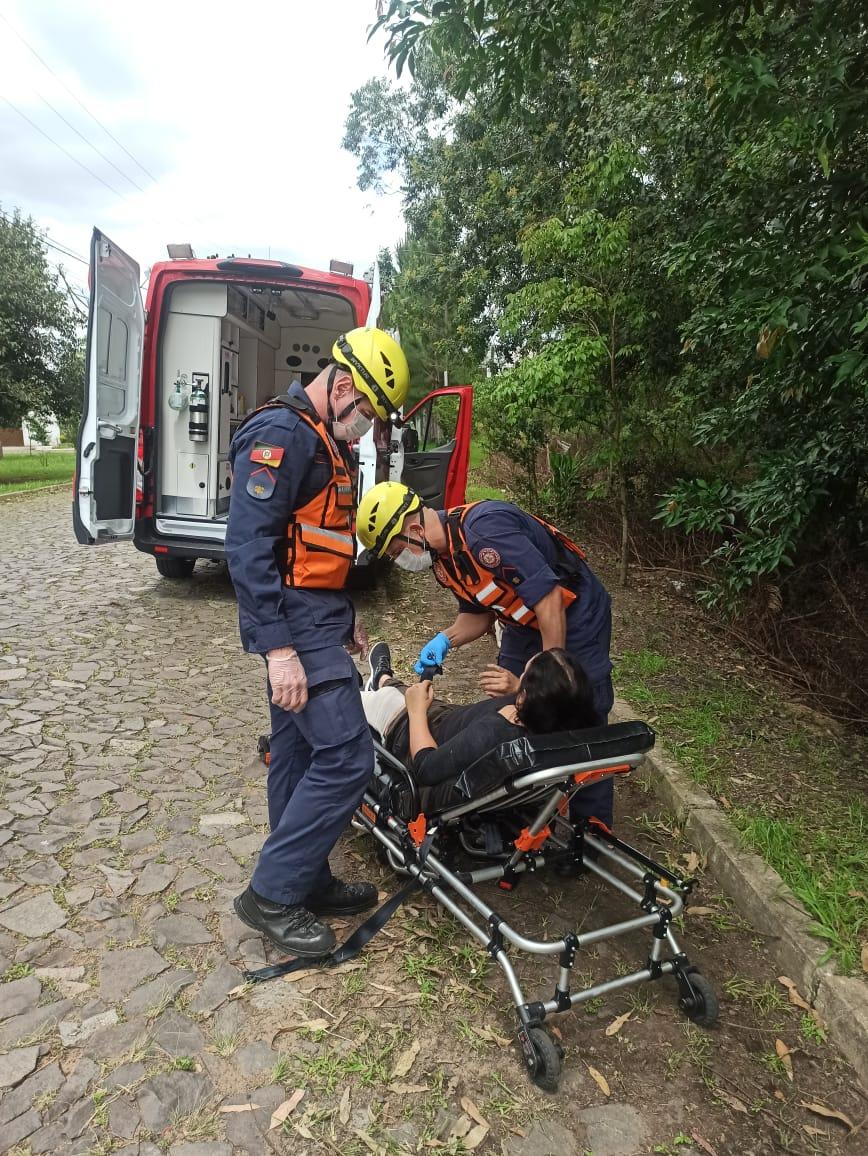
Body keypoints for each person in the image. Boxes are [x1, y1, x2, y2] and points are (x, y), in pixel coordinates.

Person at [226, 328, 410, 957]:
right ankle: (272, 894)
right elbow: (249, 550)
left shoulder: (321, 440)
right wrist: (278, 650)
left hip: (317, 619)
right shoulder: (282, 435)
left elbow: (319, 549)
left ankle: (304, 878)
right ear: (342, 385)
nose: (367, 430)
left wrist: (345, 613)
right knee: (348, 757)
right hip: (294, 630)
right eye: (367, 413)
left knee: (298, 756)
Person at [356, 483, 616, 826]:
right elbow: (479, 614)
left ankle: (591, 827)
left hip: (573, 612)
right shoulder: (444, 560)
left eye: (395, 551)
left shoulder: (485, 533)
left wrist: (536, 682)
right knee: (506, 714)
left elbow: (550, 600)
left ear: (414, 529)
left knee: (581, 710)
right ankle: (518, 801)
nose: (397, 561)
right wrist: (445, 639)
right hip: (522, 621)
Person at [362, 642, 598, 808]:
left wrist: (415, 711)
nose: (519, 679)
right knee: (398, 689)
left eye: (523, 677)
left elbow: (426, 768)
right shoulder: (559, 726)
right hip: (445, 716)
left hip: (407, 728)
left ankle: (368, 686)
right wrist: (518, 689)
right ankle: (383, 677)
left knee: (358, 698)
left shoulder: (494, 734)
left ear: (529, 697)